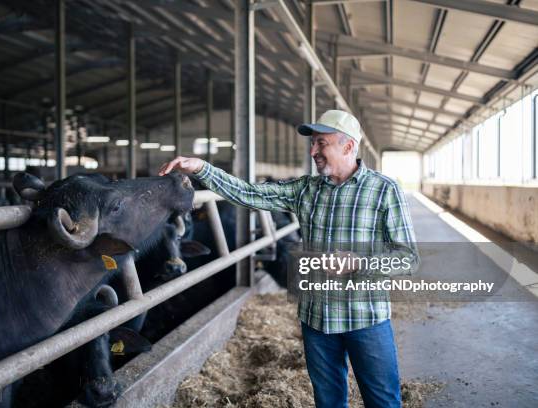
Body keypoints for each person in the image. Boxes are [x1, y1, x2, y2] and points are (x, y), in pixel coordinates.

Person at [159, 110, 419, 408]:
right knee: (328, 401)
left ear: (348, 147)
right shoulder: (305, 189)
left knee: (383, 400)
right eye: (312, 144)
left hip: (366, 318)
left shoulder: (384, 190)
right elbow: (248, 193)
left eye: (322, 143)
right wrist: (203, 168)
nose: (313, 151)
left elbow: (407, 259)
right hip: (316, 318)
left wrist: (359, 263)